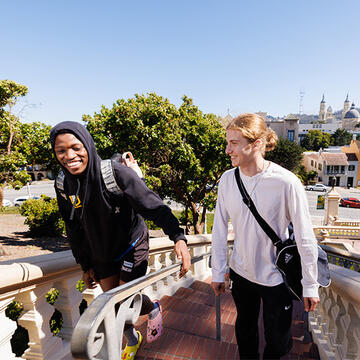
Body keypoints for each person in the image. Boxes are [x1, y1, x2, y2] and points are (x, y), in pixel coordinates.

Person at [50, 121, 191, 360]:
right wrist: (85, 265)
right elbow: (73, 226)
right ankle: (134, 338)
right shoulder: (63, 183)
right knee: (113, 305)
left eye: (76, 147)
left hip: (131, 245)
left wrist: (178, 237)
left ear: (87, 145)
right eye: (61, 151)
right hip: (101, 251)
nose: (69, 155)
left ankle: (151, 308)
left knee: (123, 299)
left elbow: (153, 206)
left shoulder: (115, 173)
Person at [211, 113, 320, 359]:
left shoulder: (286, 182)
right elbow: (218, 229)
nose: (228, 150)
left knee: (279, 341)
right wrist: (218, 271)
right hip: (241, 273)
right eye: (227, 143)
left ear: (257, 144)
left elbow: (305, 236)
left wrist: (310, 284)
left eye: (234, 143)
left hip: (276, 278)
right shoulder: (227, 180)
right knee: (245, 332)